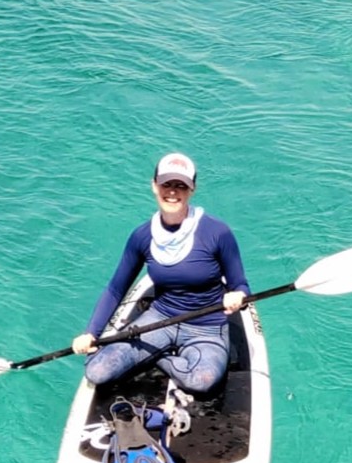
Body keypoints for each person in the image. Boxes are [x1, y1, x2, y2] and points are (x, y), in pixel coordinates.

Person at [72, 152, 250, 394]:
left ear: (192, 189)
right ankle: (161, 352)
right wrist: (91, 333)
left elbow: (240, 284)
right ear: (154, 185)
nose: (173, 192)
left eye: (181, 186)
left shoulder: (218, 232)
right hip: (160, 321)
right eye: (167, 184)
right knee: (97, 371)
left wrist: (237, 296)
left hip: (206, 327)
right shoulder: (142, 236)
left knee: (202, 380)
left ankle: (156, 355)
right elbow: (116, 289)